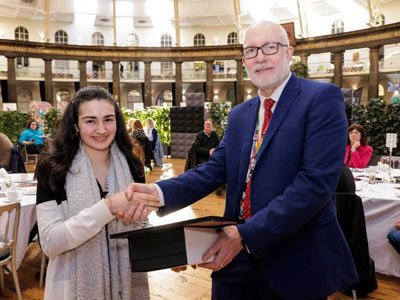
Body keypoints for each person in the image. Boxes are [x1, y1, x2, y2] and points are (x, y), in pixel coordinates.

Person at [122, 21, 358, 300]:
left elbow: (314, 185)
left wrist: (244, 234)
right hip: (234, 257)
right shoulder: (239, 115)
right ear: (244, 61)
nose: (260, 56)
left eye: (270, 47)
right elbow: (215, 170)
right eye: (251, 50)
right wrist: (158, 192)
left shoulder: (320, 99)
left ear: (288, 52)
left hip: (295, 259)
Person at [34, 86, 160, 300]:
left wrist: (169, 251)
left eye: (108, 119)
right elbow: (50, 243)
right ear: (75, 125)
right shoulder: (53, 169)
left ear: (117, 122)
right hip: (71, 289)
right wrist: (108, 207)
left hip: (129, 287)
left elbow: (140, 224)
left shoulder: (132, 166)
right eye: (90, 121)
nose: (101, 129)